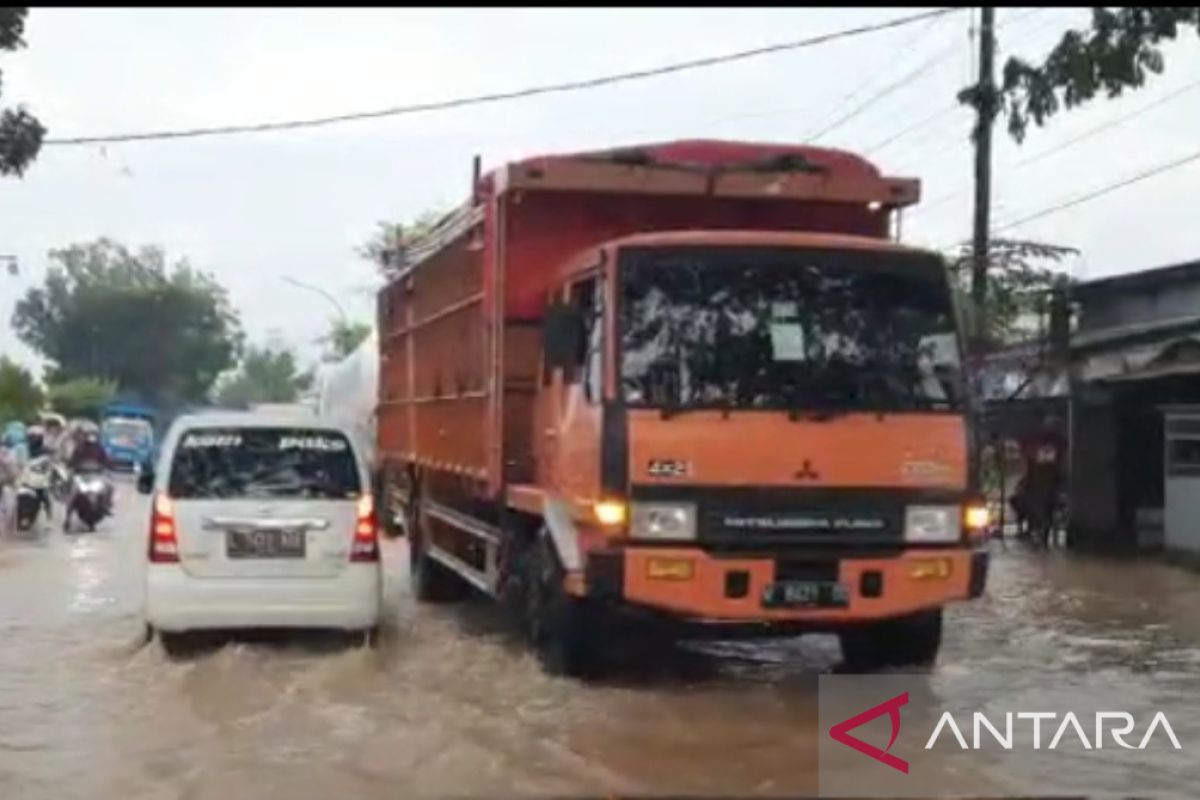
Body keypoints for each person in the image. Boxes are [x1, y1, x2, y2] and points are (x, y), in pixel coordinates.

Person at [63, 430, 112, 532]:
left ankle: (106, 505)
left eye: (93, 436)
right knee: (72, 493)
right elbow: (72, 460)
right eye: (89, 436)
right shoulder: (79, 448)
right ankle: (67, 518)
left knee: (109, 487)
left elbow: (106, 460)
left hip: (96, 476)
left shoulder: (100, 448)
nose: (91, 438)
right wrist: (71, 466)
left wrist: (107, 466)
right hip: (81, 476)